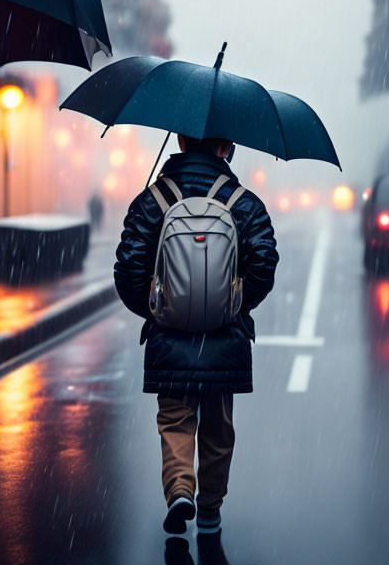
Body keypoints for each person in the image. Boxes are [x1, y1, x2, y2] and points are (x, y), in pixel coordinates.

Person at [114, 135, 278, 535]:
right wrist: (234, 306)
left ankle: (180, 489)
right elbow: (265, 262)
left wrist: (157, 309)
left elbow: (128, 267)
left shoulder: (153, 199)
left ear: (181, 141)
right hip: (225, 338)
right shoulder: (244, 202)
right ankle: (210, 509)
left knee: (174, 420)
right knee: (219, 427)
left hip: (170, 337)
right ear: (228, 147)